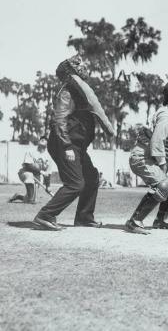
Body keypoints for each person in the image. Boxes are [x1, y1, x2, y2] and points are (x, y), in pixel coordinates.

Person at [32, 55, 114, 231]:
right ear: (72, 71)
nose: (83, 67)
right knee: (76, 184)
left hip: (76, 146)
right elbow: (58, 120)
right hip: (64, 144)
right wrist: (67, 146)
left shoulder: (80, 91)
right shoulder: (67, 91)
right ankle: (45, 215)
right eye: (79, 65)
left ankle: (84, 217)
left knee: (91, 178)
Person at [125, 78, 168, 234]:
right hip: (142, 157)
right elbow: (157, 142)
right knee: (164, 185)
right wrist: (162, 166)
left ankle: (160, 220)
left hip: (150, 156)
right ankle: (134, 221)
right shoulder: (167, 114)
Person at [9, 136, 51, 204]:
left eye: (45, 139)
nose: (43, 139)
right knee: (29, 176)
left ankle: (19, 196)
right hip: (25, 172)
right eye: (41, 139)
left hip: (37, 176)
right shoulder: (31, 151)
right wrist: (40, 171)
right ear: (38, 142)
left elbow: (48, 173)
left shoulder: (48, 157)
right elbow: (27, 165)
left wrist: (48, 186)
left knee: (29, 198)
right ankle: (30, 200)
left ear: (47, 144)